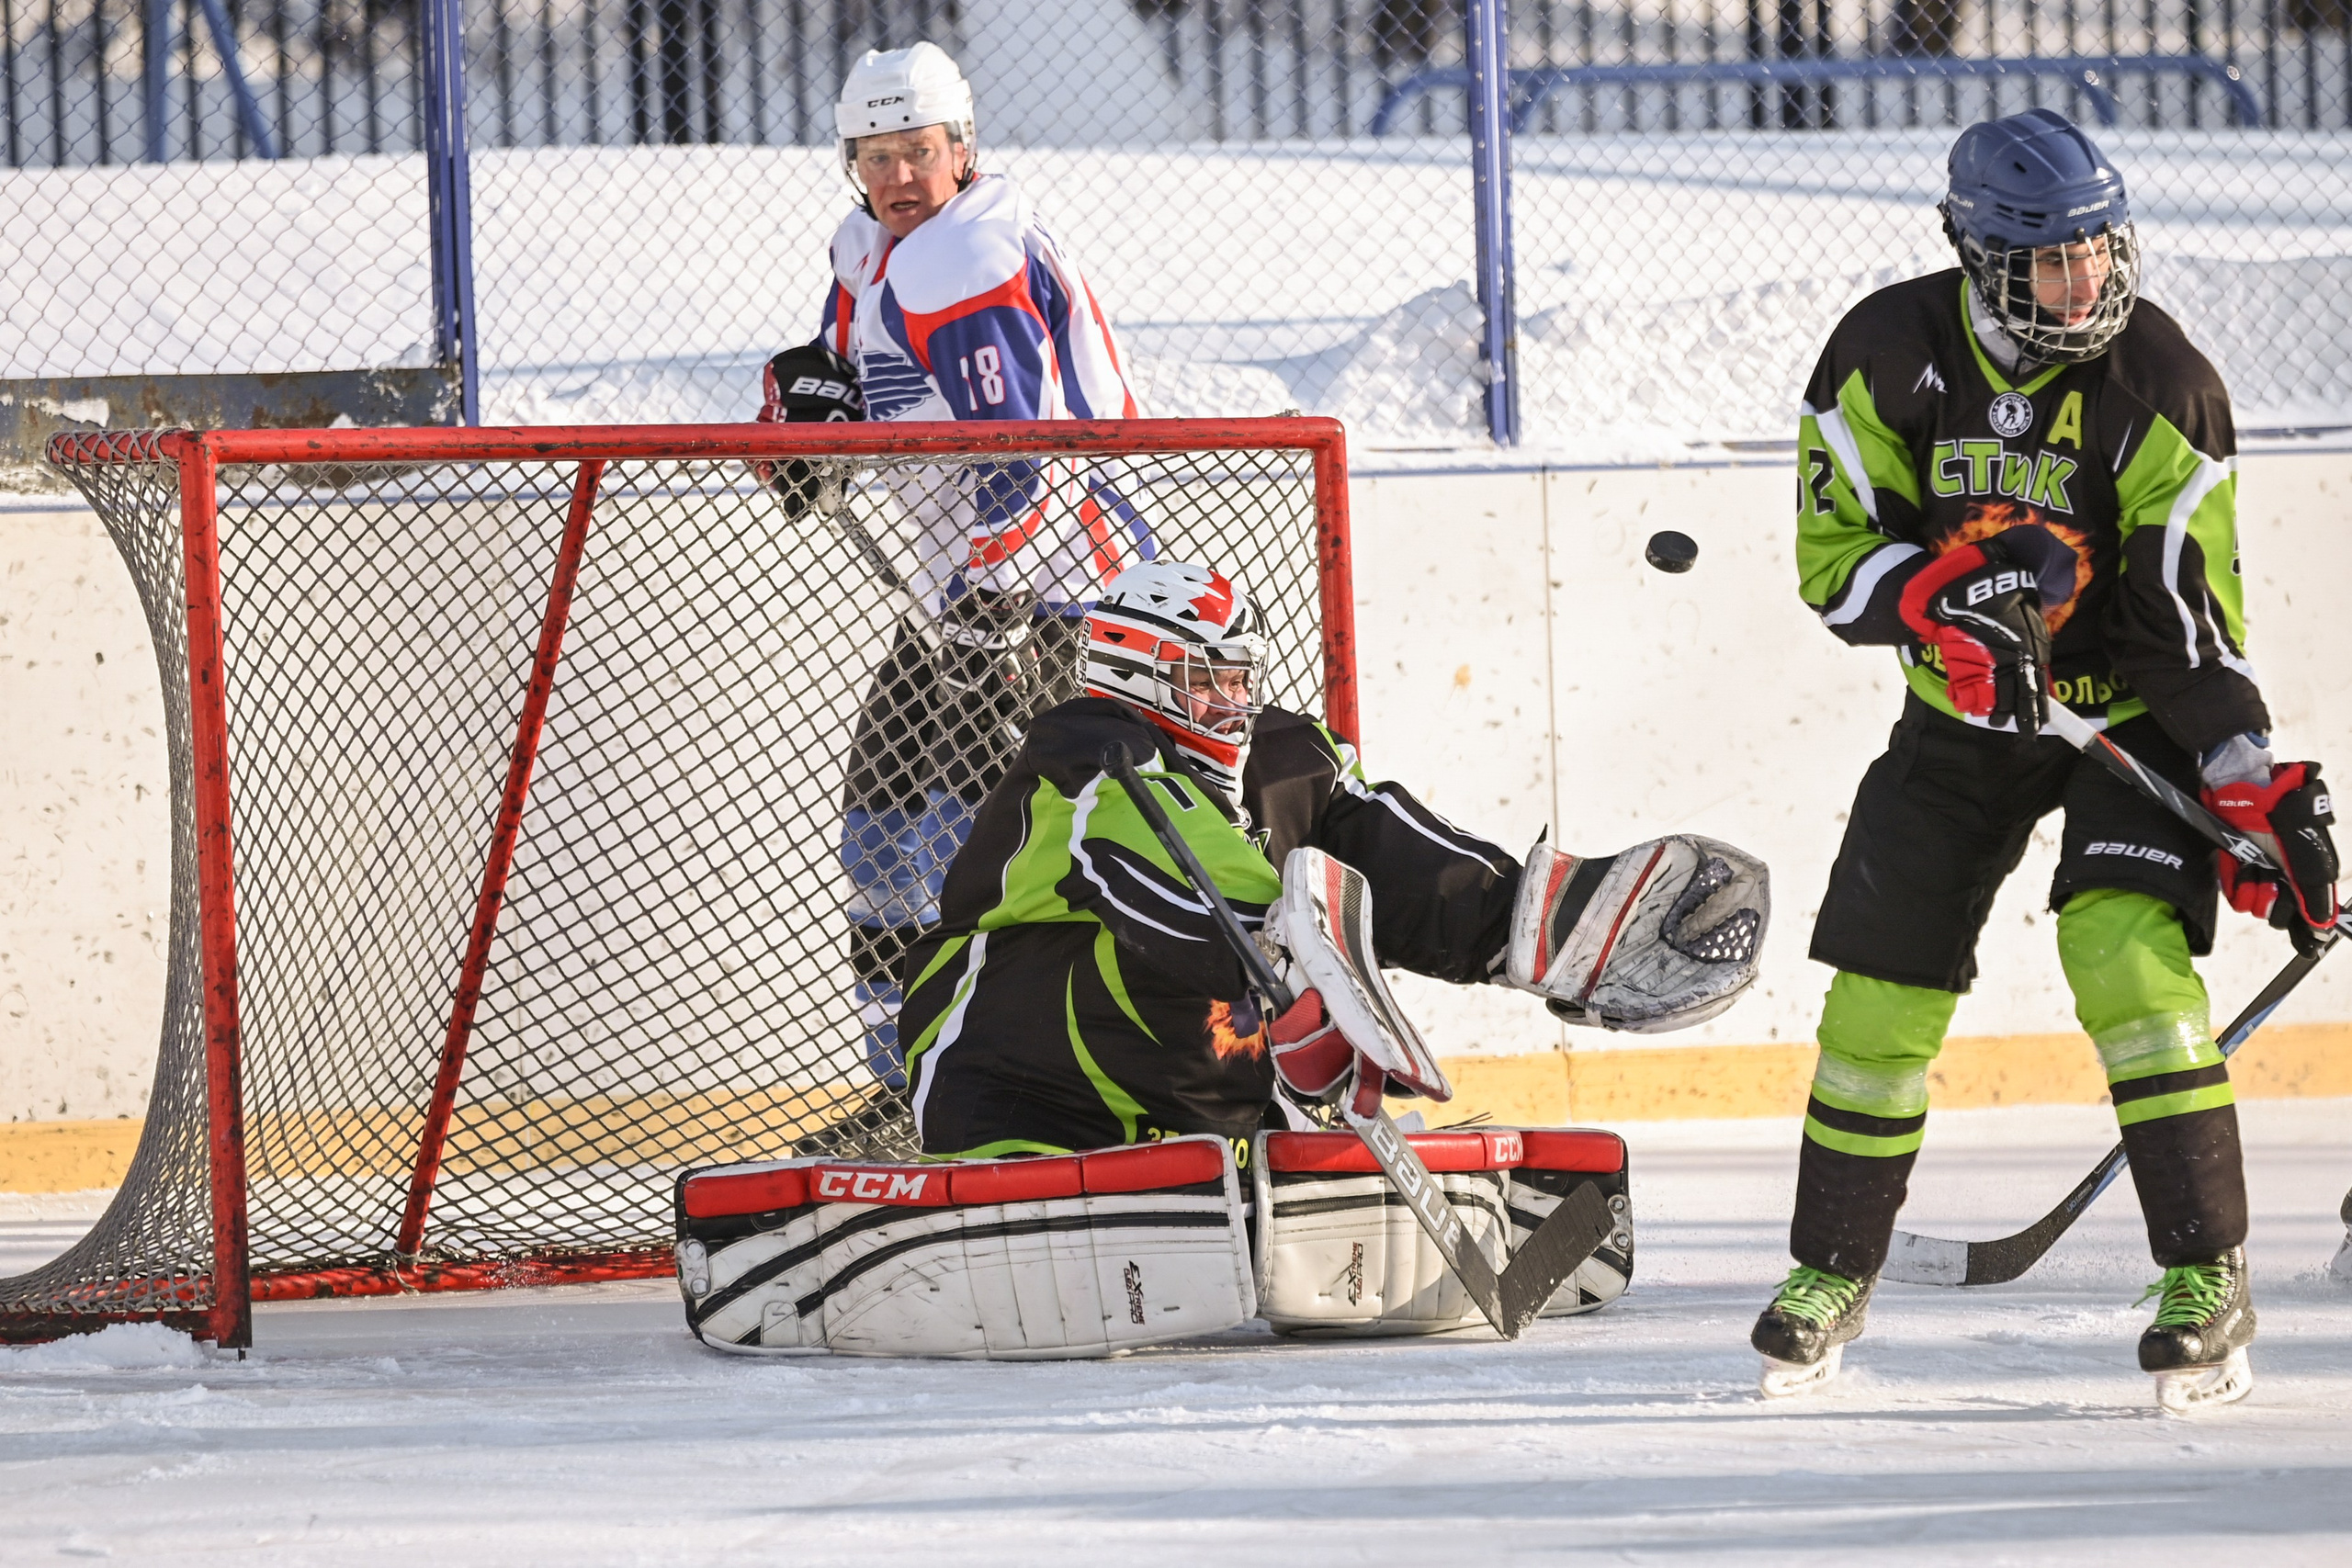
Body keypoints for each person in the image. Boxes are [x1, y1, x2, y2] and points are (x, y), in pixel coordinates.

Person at [1773, 108, 2340, 1407]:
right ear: (1977, 252)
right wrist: (1937, 604)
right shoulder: (1886, 352)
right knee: (1878, 1001)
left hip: (2118, 721)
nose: (2084, 284)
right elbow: (1833, 562)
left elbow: (2185, 623)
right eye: (2051, 261)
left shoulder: (2164, 383)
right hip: (1958, 718)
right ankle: (1829, 1268)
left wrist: (2245, 778)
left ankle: (2209, 1273)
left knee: (2123, 956)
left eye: (2099, 252)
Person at [897, 558, 1771, 1162]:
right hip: (1008, 1082)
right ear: (1138, 673)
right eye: (1210, 680)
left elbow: (1380, 843)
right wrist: (1289, 954)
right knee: (1175, 949)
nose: (1234, 704)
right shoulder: (1086, 755)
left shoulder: (1281, 758)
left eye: (1242, 679)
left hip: (1187, 1108)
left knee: (1323, 846)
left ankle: (1532, 925)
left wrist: (1530, 926)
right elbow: (1167, 873)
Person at [753, 42, 1146, 1142]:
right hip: (951, 601)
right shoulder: (871, 249)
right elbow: (849, 383)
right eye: (875, 155)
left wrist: (994, 598)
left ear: (962, 149)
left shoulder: (963, 256)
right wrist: (804, 427)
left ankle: (987, 1087)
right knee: (878, 832)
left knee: (967, 854)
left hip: (1055, 602)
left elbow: (1031, 452)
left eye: (920, 151)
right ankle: (905, 1084)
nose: (899, 177)